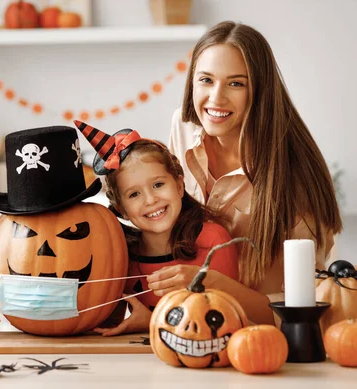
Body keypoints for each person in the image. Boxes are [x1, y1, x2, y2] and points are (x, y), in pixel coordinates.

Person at [168, 21, 342, 317]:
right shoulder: (183, 127)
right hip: (190, 318)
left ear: (259, 91)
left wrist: (213, 286)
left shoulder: (292, 177)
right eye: (206, 80)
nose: (216, 98)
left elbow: (299, 311)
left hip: (261, 338)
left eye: (236, 83)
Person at [74, 121, 240, 336]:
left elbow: (228, 319)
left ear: (179, 186)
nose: (151, 200)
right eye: (134, 194)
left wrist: (151, 321)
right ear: (121, 209)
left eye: (158, 185)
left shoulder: (213, 241)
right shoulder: (123, 257)